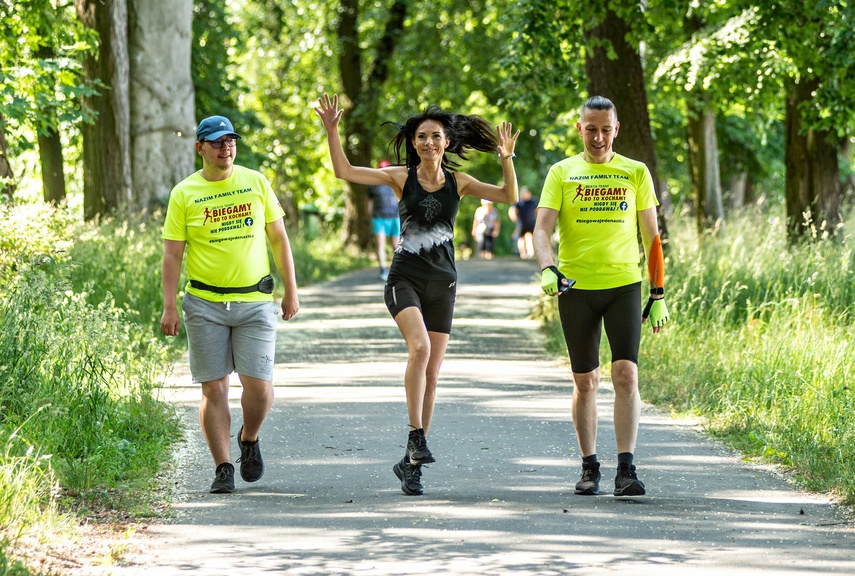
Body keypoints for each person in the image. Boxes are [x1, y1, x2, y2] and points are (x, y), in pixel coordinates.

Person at [315, 93, 519, 496]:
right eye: (421, 136)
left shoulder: (459, 183)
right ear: (413, 143)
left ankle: (411, 464)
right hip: (404, 278)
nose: (428, 142)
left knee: (432, 373)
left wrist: (505, 157)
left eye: (435, 136)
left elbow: (508, 197)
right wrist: (332, 129)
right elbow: (343, 171)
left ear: (446, 143)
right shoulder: (398, 177)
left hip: (443, 283)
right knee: (420, 350)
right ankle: (415, 438)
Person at [532, 95, 669, 498]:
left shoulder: (635, 172)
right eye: (591, 129)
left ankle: (626, 469)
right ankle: (589, 465)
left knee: (626, 374)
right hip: (574, 288)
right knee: (586, 381)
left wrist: (658, 291)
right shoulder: (562, 172)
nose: (598, 137)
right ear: (579, 129)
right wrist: (546, 268)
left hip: (624, 285)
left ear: (617, 129)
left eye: (605, 129)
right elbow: (542, 231)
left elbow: (652, 237)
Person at [160, 115, 300, 494]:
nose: (226, 148)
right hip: (203, 302)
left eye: (231, 141)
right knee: (214, 389)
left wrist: (291, 289)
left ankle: (249, 438)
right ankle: (223, 466)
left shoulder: (255, 182)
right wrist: (169, 306)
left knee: (259, 386)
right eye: (217, 142)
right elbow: (173, 255)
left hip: (255, 299)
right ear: (200, 147)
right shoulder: (184, 193)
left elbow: (279, 239)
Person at [368, 160, 400, 280]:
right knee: (380, 244)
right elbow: (369, 204)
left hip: (394, 218)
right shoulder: (373, 186)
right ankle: (382, 269)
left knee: (395, 245)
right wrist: (368, 217)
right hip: (379, 218)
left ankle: (398, 269)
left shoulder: (396, 183)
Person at [509, 186, 537, 259]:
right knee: (521, 238)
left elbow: (537, 210)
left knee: (530, 237)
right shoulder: (519, 202)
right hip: (521, 223)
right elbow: (512, 210)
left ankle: (530, 253)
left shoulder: (532, 201)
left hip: (530, 222)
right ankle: (523, 254)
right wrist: (514, 218)